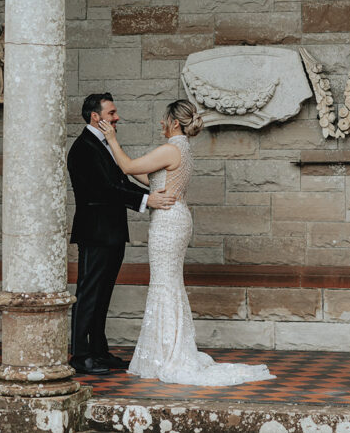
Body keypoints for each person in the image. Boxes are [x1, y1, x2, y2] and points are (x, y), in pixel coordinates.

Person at [98, 100, 275, 385]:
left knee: (164, 284)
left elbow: (130, 167)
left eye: (164, 119)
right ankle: (167, 350)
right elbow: (151, 177)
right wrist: (122, 160)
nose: (161, 123)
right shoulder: (182, 149)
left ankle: (169, 354)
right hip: (177, 217)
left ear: (175, 122)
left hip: (168, 222)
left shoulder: (170, 148)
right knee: (168, 283)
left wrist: (112, 140)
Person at [68, 93, 175, 375]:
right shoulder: (83, 148)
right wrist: (147, 201)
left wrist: (151, 193)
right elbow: (105, 189)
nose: (117, 117)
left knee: (103, 293)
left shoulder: (104, 145)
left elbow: (121, 180)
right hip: (95, 232)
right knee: (88, 292)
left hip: (112, 231)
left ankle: (99, 351)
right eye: (112, 113)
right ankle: (80, 355)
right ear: (96, 116)